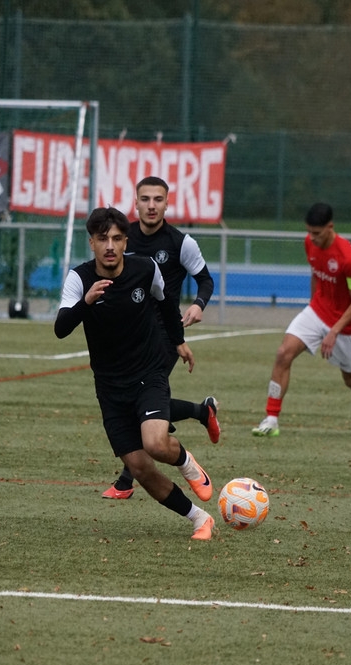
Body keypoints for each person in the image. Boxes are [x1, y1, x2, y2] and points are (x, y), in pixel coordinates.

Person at [54, 206, 215, 540]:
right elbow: (61, 328)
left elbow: (166, 306)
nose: (110, 246)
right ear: (92, 243)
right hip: (109, 387)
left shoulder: (145, 268)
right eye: (102, 239)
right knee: (140, 467)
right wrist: (86, 302)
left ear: (126, 241)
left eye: (116, 238)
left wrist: (178, 342)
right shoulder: (79, 279)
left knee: (155, 443)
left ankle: (187, 463)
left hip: (148, 372)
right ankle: (200, 519)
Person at [102, 176, 220, 500]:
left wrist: (198, 304)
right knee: (140, 402)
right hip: (129, 334)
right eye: (145, 199)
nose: (151, 205)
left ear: (167, 204)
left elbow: (206, 280)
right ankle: (202, 412)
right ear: (136, 202)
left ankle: (126, 480)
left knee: (140, 398)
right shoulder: (122, 238)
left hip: (166, 334)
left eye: (158, 199)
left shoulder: (181, 243)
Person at [252, 202, 351, 437]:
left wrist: (333, 331)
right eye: (309, 231)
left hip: (345, 325)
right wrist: (313, 306)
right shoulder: (309, 243)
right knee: (283, 353)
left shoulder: (349, 259)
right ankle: (271, 419)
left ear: (330, 227)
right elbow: (316, 274)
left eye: (316, 233)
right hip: (317, 311)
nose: (312, 238)